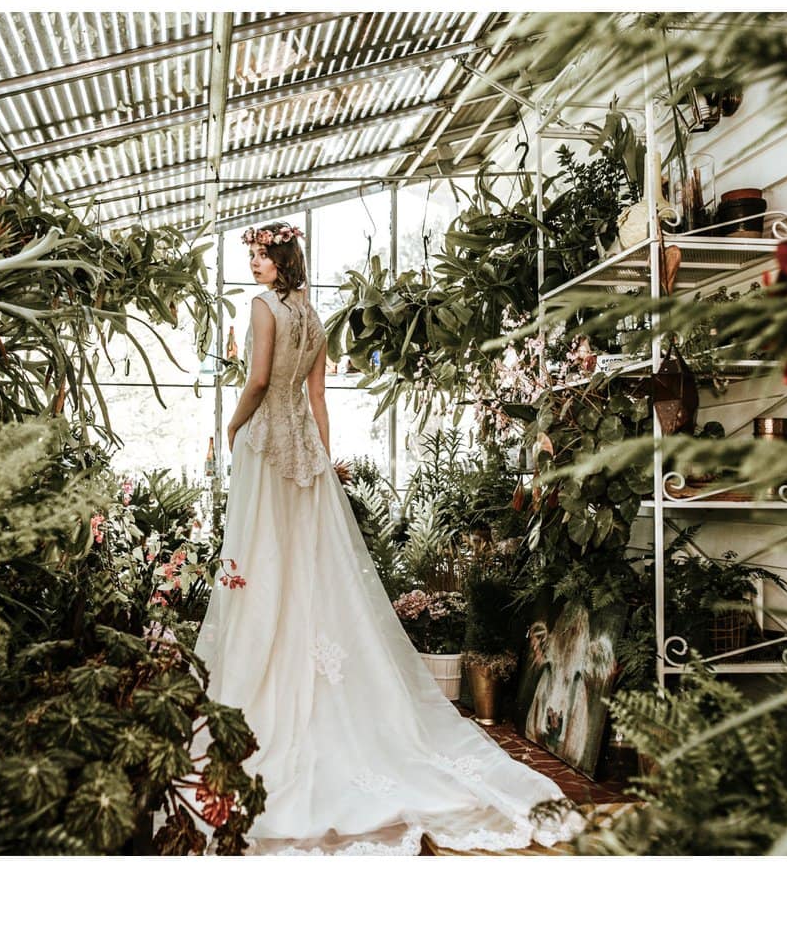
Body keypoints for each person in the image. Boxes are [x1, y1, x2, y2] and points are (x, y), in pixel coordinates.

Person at [193, 222, 579, 854]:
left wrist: (232, 426)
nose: (254, 265)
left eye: (260, 255)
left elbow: (259, 382)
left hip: (266, 450)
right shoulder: (314, 317)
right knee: (307, 569)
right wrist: (321, 451)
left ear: (279, 259)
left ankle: (270, 674)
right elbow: (318, 398)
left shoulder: (263, 310)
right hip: (306, 456)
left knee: (266, 562)